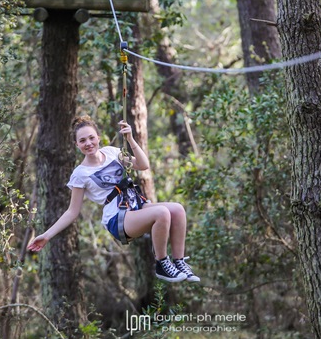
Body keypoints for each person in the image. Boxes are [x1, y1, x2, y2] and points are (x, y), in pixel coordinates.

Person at [27, 115, 200, 283]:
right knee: (162, 212)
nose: (88, 143)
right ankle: (162, 263)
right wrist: (47, 235)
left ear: (98, 138)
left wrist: (130, 139)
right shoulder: (80, 174)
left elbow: (143, 165)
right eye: (82, 141)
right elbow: (72, 212)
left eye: (91, 138)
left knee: (177, 209)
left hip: (135, 206)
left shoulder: (112, 153)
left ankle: (179, 262)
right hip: (117, 218)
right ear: (76, 144)